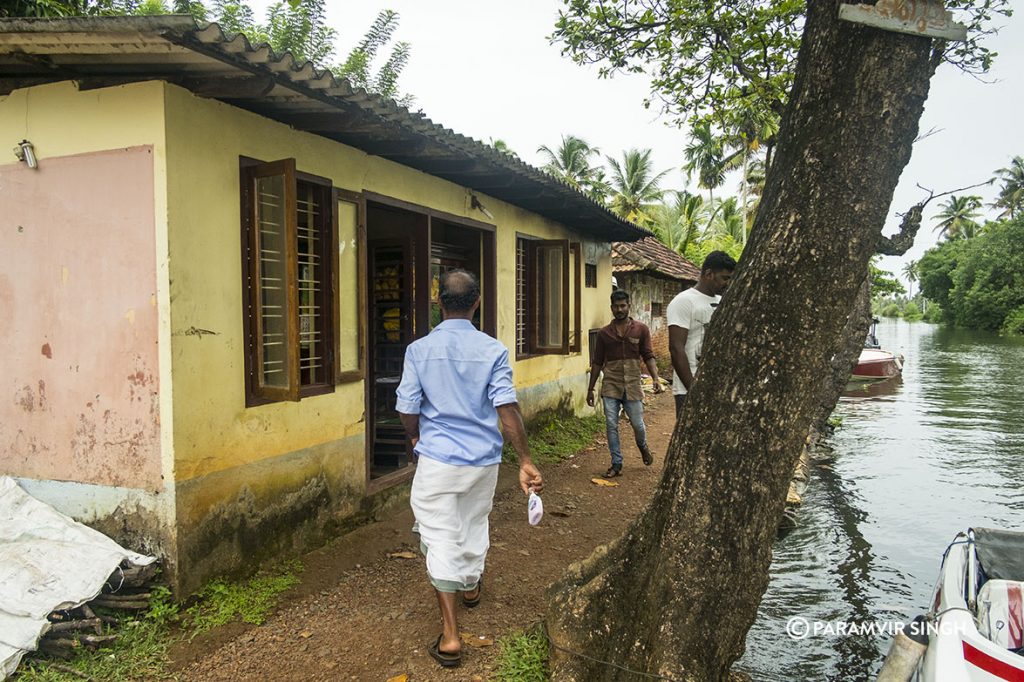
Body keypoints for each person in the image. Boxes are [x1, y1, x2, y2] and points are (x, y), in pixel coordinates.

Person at [396, 269, 542, 669]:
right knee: (474, 521)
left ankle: (450, 637)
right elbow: (506, 410)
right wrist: (525, 460)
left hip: (439, 460)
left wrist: (415, 438)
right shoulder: (492, 350)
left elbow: (407, 408)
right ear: (477, 304)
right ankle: (472, 586)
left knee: (441, 534)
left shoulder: (419, 350)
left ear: (438, 303)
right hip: (483, 461)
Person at [587, 289, 664, 478]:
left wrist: (655, 378)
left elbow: (648, 356)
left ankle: (643, 446)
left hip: (633, 384)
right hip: (611, 385)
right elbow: (597, 362)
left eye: (623, 306)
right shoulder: (604, 333)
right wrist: (590, 389)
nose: (620, 309)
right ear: (611, 308)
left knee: (637, 424)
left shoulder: (641, 329)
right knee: (611, 424)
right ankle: (616, 463)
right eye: (616, 306)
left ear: (629, 306)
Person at [667, 250, 737, 419]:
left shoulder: (722, 301)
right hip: (689, 387)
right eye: (725, 278)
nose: (728, 283)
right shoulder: (684, 301)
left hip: (717, 385)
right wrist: (693, 390)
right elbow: (676, 348)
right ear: (708, 274)